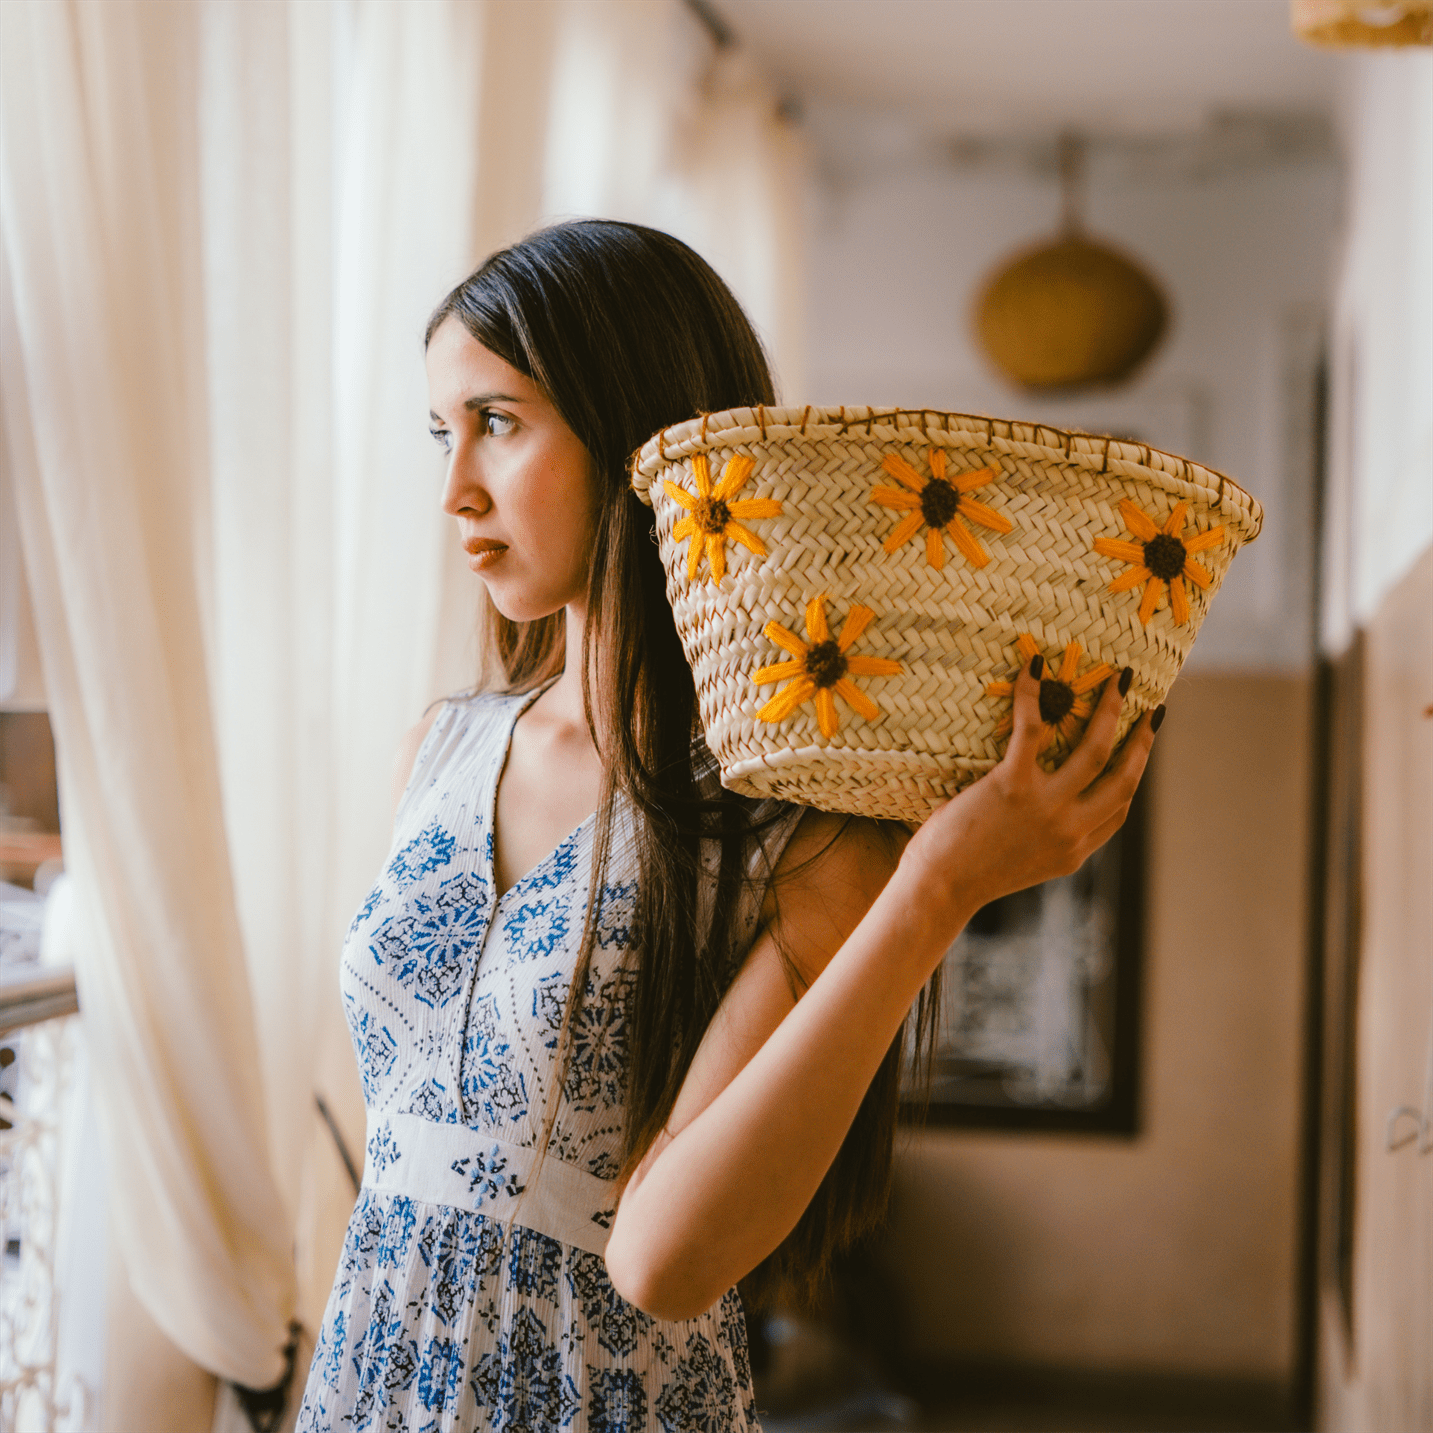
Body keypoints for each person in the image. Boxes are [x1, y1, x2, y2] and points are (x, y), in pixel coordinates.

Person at [296, 219, 1156, 1432]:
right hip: (366, 1386)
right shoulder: (437, 749)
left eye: (498, 421)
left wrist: (935, 889)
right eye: (443, 432)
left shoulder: (787, 833)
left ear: (640, 432)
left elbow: (663, 1260)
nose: (455, 489)